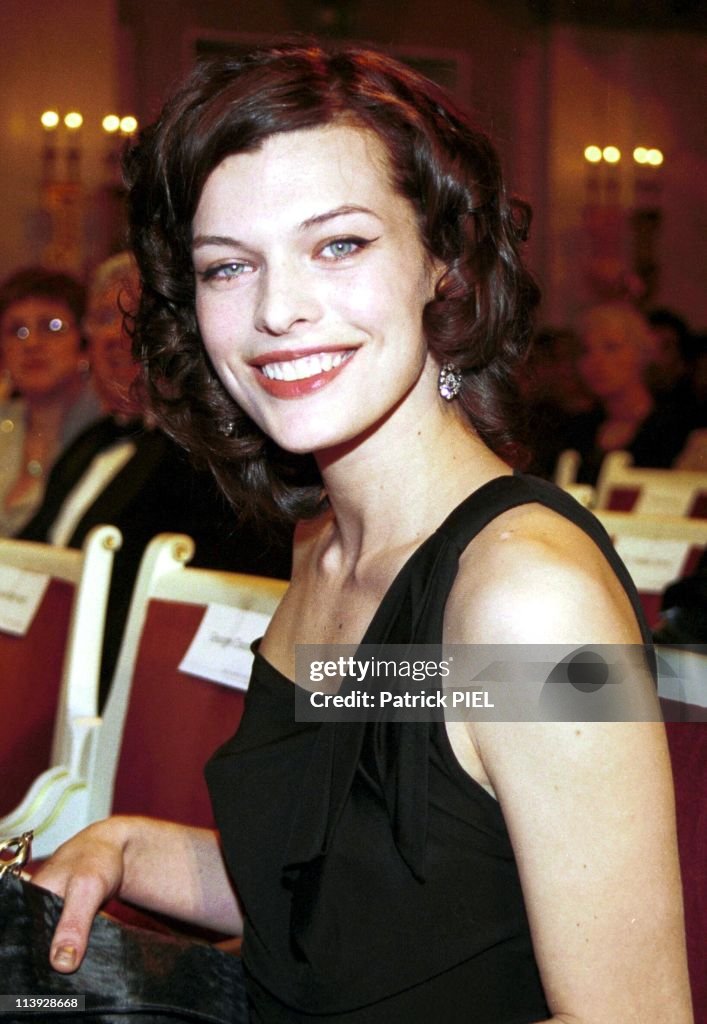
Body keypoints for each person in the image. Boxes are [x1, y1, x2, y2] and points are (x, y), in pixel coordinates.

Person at [33, 44, 692, 1023]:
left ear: (441, 259)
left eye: (338, 244)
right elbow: (368, 887)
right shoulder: (326, 548)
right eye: (228, 266)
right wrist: (130, 845)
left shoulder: (526, 603)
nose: (278, 309)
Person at [20, 251, 292, 696]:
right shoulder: (91, 443)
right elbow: (30, 549)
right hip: (49, 668)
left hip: (149, 685)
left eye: (133, 315)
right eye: (103, 317)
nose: (116, 335)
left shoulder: (207, 455)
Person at [0, 267, 101, 535]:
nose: (31, 343)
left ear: (83, 341)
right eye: (17, 330)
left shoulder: (108, 430)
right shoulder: (3, 421)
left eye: (51, 326)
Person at [565, 301, 695, 485]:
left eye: (611, 347)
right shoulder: (577, 429)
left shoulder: (679, 429)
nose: (596, 361)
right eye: (586, 350)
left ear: (642, 352)